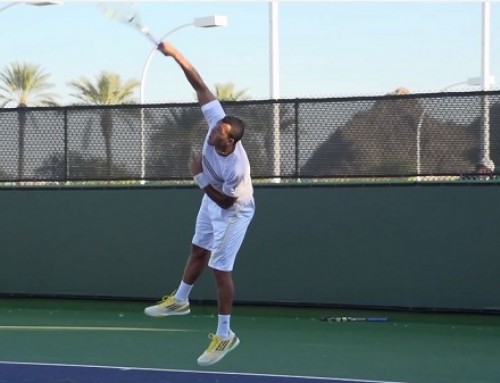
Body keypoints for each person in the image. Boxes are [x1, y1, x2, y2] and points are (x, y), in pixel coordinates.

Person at [144, 41, 255, 367]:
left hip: (234, 210)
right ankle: (180, 300)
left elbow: (224, 200)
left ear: (230, 140)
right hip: (211, 201)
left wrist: (198, 177)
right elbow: (199, 84)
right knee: (198, 250)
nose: (211, 132)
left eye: (218, 132)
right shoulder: (215, 122)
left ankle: (225, 334)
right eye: (214, 127)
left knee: (220, 269)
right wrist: (175, 53)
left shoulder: (237, 168)